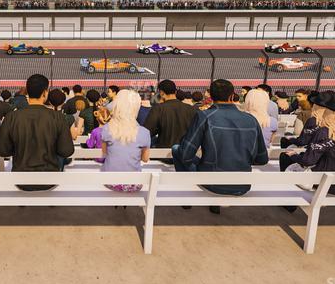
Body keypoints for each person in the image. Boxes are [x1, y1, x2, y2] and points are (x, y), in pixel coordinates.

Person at [172, 79, 269, 211]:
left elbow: (185, 154)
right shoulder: (251, 120)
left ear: (211, 96)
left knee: (176, 149)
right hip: (242, 185)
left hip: (212, 182)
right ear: (232, 96)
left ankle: (186, 196)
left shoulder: (204, 116)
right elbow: (262, 160)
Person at [280, 91, 335, 197]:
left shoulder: (326, 132)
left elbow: (308, 161)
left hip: (326, 186)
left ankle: (288, 202)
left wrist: (294, 156)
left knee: (286, 157)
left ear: (330, 112)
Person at [0, 74, 74, 191]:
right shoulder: (57, 117)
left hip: (20, 179)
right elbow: (66, 151)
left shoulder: (12, 116)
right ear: (45, 93)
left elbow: (2, 150)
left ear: (27, 92)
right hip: (49, 179)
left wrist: (19, 149)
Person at [101, 90, 151, 192]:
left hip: (110, 182)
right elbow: (145, 159)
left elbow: (104, 153)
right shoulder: (144, 132)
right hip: (134, 184)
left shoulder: (107, 128)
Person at [144, 79, 197, 148]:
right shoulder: (190, 109)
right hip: (185, 152)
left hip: (163, 153)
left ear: (162, 93)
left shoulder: (158, 108)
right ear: (175, 92)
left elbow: (147, 131)